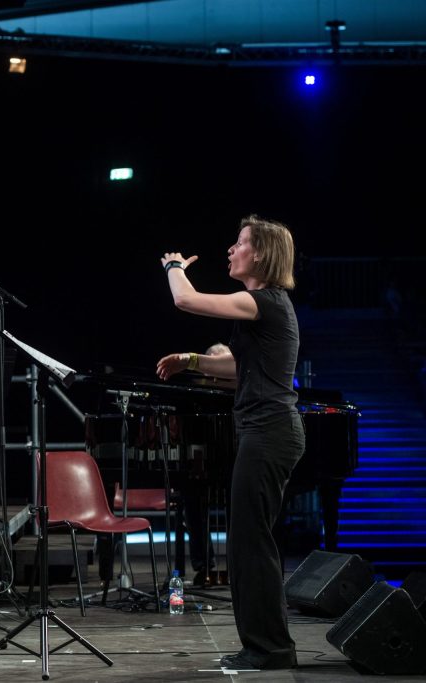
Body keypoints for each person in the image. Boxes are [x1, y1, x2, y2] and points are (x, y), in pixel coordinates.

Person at [157, 215, 304, 671]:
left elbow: (185, 299)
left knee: (251, 543)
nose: (231, 249)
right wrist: (192, 361)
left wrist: (174, 266)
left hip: (270, 431)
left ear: (261, 254)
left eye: (240, 243)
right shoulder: (264, 309)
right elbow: (242, 368)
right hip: (265, 431)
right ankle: (263, 645)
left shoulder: (263, 301)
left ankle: (271, 648)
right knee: (247, 542)